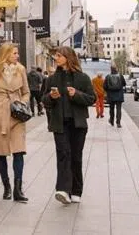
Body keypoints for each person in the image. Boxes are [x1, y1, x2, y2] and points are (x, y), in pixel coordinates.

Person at [43, 46, 95, 205]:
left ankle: (76, 190)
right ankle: (63, 190)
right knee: (63, 154)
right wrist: (51, 97)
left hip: (78, 124)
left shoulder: (83, 78)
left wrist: (76, 94)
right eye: (56, 56)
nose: (56, 58)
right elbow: (44, 100)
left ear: (68, 57)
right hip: (59, 123)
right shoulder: (51, 79)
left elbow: (92, 98)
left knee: (75, 157)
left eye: (59, 56)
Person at [0, 43, 30, 203]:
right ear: (5, 54)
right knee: (1, 151)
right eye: (14, 53)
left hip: (16, 114)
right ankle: (6, 186)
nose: (17, 56)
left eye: (17, 53)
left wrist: (22, 104)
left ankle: (18, 189)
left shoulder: (21, 69)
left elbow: (26, 92)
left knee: (19, 150)